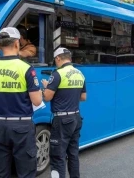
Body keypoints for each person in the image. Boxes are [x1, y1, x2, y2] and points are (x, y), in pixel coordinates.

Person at [0, 27, 43, 178]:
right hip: (21, 128)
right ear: (17, 44)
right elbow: (37, 100)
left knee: (1, 173)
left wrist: (2, 98)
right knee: (25, 173)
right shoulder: (26, 68)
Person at [41, 47, 87, 178]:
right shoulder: (79, 73)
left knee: (57, 156)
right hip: (76, 118)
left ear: (58, 58)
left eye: (55, 60)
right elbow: (83, 97)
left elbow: (47, 97)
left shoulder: (57, 74)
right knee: (73, 154)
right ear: (70, 58)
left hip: (62, 120)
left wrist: (46, 87)